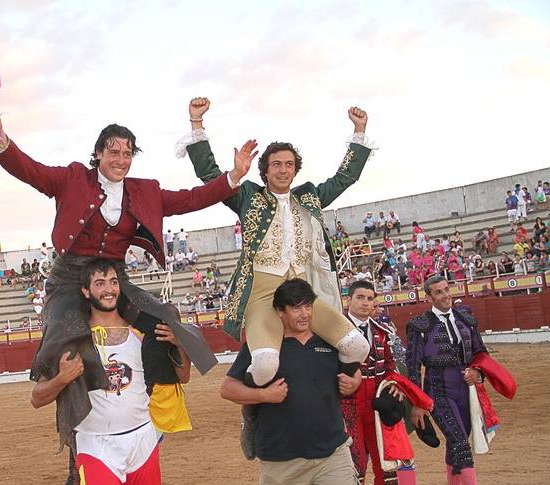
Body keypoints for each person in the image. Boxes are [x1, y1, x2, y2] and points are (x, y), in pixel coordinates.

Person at [0, 109, 247, 453]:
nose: (121, 159)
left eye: (127, 153)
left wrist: (233, 177)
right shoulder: (74, 178)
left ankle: (154, 412)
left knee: (163, 320)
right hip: (69, 278)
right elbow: (30, 170)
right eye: (114, 152)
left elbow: (190, 199)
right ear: (98, 154)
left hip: (112, 278)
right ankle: (75, 441)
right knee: (67, 344)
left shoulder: (144, 190)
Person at [180, 97, 371, 386]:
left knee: (358, 347)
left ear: (296, 170)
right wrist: (197, 124)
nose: (283, 170)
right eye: (276, 165)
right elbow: (210, 176)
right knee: (266, 365)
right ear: (265, 171)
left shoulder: (310, 197)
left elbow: (345, 177)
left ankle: (328, 387)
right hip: (262, 296)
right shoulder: (247, 196)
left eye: (289, 165)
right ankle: (254, 409)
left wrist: (359, 131)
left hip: (304, 297)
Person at [30, 259, 191, 484]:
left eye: (113, 282)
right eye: (100, 283)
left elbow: (183, 377)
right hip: (96, 445)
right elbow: (37, 398)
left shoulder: (143, 332)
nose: (108, 289)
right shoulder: (72, 340)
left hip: (143, 438)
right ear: (86, 291)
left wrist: (179, 345)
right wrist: (62, 379)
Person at [220, 278, 362, 484]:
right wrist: (263, 395)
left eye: (307, 306)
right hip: (281, 462)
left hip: (332, 453)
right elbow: (227, 388)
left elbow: (353, 372)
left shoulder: (329, 341)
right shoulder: (263, 347)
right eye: (296, 308)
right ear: (280, 311)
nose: (304, 314)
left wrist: (354, 382)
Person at [406, 275, 516, 484]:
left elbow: (481, 353)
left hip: (467, 391)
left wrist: (478, 372)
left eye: (447, 289)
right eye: (439, 292)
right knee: (460, 444)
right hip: (437, 390)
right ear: (429, 297)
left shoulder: (466, 319)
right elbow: (413, 366)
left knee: (458, 441)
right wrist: (417, 402)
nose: (445, 295)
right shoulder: (419, 325)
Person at [343, 281, 434, 485]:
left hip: (376, 405)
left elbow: (390, 367)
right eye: (360, 297)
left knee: (386, 462)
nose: (365, 303)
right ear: (348, 300)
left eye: (369, 298)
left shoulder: (381, 332)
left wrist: (392, 382)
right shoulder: (336, 330)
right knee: (351, 465)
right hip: (346, 404)